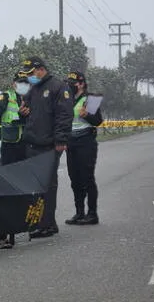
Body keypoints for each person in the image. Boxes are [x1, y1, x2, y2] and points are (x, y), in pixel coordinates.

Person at [20, 57, 73, 238]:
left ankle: (48, 224)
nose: (29, 78)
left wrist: (60, 140)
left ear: (41, 69)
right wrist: (23, 113)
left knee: (48, 186)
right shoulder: (32, 88)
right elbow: (27, 113)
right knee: (35, 186)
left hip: (49, 144)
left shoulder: (58, 87)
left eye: (31, 74)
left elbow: (64, 117)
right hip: (32, 143)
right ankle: (37, 222)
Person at [64, 71, 103, 226]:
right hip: (71, 141)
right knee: (75, 179)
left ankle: (92, 214)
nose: (69, 86)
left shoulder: (90, 99)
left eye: (72, 83)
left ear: (81, 83)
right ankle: (79, 213)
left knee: (87, 178)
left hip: (86, 140)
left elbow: (98, 121)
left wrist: (87, 115)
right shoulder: (67, 99)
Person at [0, 72, 30, 165]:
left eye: (26, 83)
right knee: (8, 167)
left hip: (27, 141)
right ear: (13, 84)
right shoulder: (6, 96)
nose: (23, 86)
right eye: (20, 83)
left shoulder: (32, 97)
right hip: (10, 141)